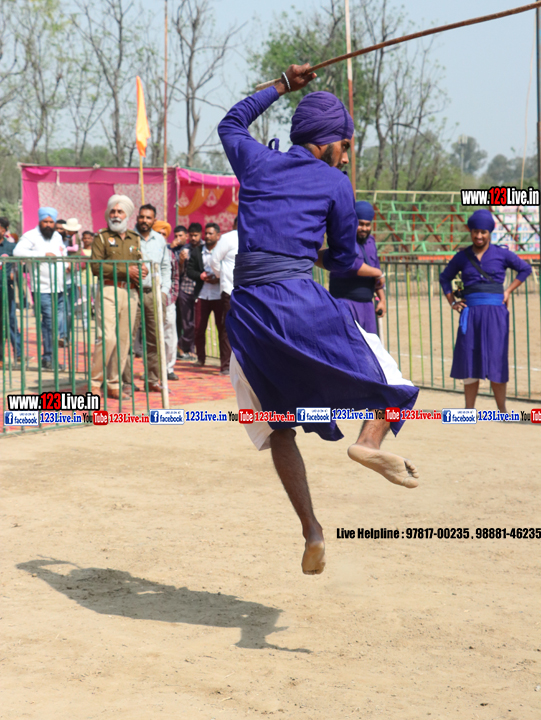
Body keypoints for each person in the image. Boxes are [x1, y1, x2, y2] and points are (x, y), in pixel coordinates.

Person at [218, 63, 419, 576]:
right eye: (345, 145)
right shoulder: (335, 183)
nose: (347, 156)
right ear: (328, 141)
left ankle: (311, 530)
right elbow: (345, 259)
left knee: (278, 428)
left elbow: (231, 122)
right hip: (297, 300)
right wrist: (336, 260)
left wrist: (283, 84)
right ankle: (368, 443)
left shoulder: (256, 162)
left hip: (247, 315)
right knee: (392, 379)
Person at [439, 208, 532, 412]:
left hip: (496, 314)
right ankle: (469, 411)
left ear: (490, 232)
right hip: (471, 314)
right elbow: (444, 277)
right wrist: (452, 302)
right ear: (471, 231)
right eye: (475, 231)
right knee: (469, 359)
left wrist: (508, 291)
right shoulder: (462, 256)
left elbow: (525, 269)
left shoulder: (502, 253)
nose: (479, 236)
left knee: (497, 358)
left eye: (483, 232)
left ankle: (502, 411)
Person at [90, 195, 144, 399]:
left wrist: (143, 270)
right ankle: (95, 383)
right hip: (108, 289)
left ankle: (114, 384)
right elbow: (96, 267)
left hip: (131, 292)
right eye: (112, 211)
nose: (115, 214)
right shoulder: (101, 237)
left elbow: (138, 262)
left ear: (127, 215)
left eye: (120, 211)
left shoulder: (134, 238)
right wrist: (125, 271)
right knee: (107, 338)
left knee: (123, 340)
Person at [123, 204, 171, 393]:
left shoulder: (160, 240)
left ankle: (152, 380)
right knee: (127, 338)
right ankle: (127, 382)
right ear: (137, 218)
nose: (144, 220)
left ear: (154, 220)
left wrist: (164, 291)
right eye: (142, 217)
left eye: (148, 217)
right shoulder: (128, 238)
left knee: (155, 339)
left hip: (154, 294)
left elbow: (166, 266)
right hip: (132, 292)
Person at [14, 207, 67, 370]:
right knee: (49, 323)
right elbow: (17, 251)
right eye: (45, 221)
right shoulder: (30, 236)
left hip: (59, 287)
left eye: (51, 222)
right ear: (40, 221)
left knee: (56, 324)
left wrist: (66, 265)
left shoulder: (57, 236)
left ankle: (49, 358)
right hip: (42, 288)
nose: (48, 225)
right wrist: (42, 255)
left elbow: (63, 253)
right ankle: (49, 358)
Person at [329, 201, 386, 333]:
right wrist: (379, 273)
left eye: (367, 224)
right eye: (360, 224)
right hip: (345, 304)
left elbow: (377, 277)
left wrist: (382, 300)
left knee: (370, 344)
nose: (364, 228)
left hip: (367, 306)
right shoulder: (343, 240)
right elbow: (355, 266)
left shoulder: (371, 242)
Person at [187, 222, 231, 374]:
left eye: (211, 233)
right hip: (202, 295)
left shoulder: (223, 251)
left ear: (218, 235)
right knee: (199, 328)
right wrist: (201, 276)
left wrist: (218, 278)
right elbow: (189, 271)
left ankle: (225, 364)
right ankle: (200, 358)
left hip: (219, 295)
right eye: (206, 233)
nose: (207, 236)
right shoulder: (197, 251)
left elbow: (228, 269)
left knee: (222, 329)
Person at [153, 219, 180, 381]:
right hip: (149, 298)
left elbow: (175, 277)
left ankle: (169, 368)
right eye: (158, 233)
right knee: (152, 336)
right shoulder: (146, 251)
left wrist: (173, 296)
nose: (161, 236)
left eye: (164, 234)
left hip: (168, 300)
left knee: (170, 335)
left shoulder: (170, 254)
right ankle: (153, 370)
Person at [210, 215, 238, 344]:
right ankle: (226, 358)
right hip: (230, 289)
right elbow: (214, 261)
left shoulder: (254, 236)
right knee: (228, 327)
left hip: (249, 290)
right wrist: (221, 276)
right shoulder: (228, 238)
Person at [177, 222, 202, 360]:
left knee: (196, 323)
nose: (193, 238)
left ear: (200, 235)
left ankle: (186, 347)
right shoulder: (184, 250)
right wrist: (181, 262)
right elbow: (179, 272)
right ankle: (187, 348)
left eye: (196, 235)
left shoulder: (205, 248)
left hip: (200, 290)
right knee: (187, 322)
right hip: (185, 289)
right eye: (191, 235)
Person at [0, 217, 21, 363]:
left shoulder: (12, 247)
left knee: (11, 321)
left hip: (7, 289)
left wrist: (15, 272)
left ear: (4, 230)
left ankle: (18, 353)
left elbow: (20, 266)